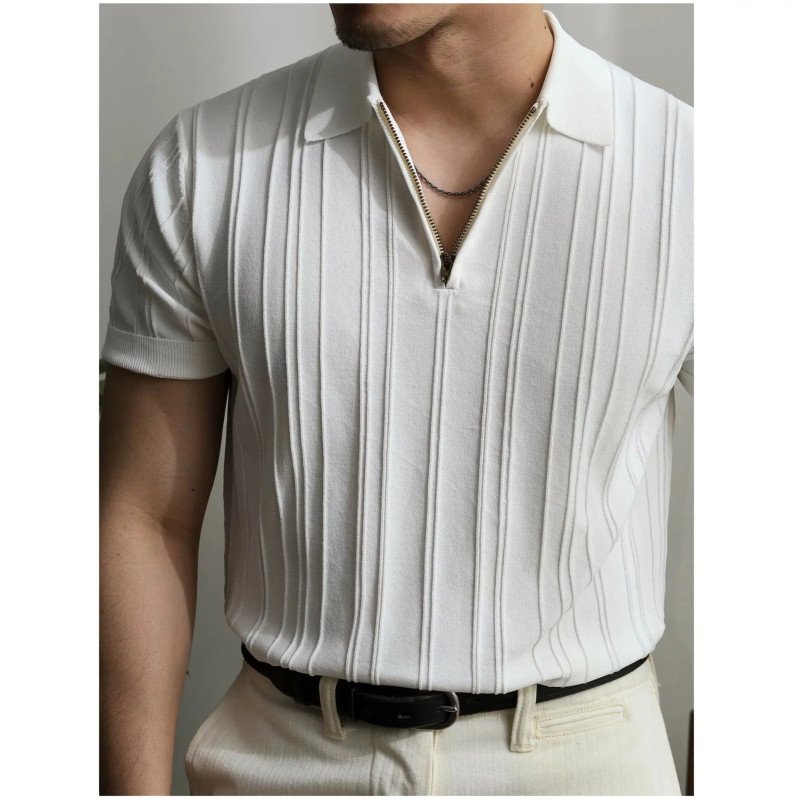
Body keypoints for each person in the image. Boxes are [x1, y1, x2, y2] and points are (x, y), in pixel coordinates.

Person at [99, 3, 693, 795]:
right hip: (280, 763)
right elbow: (144, 515)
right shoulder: (204, 164)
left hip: (588, 764)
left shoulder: (697, 176)